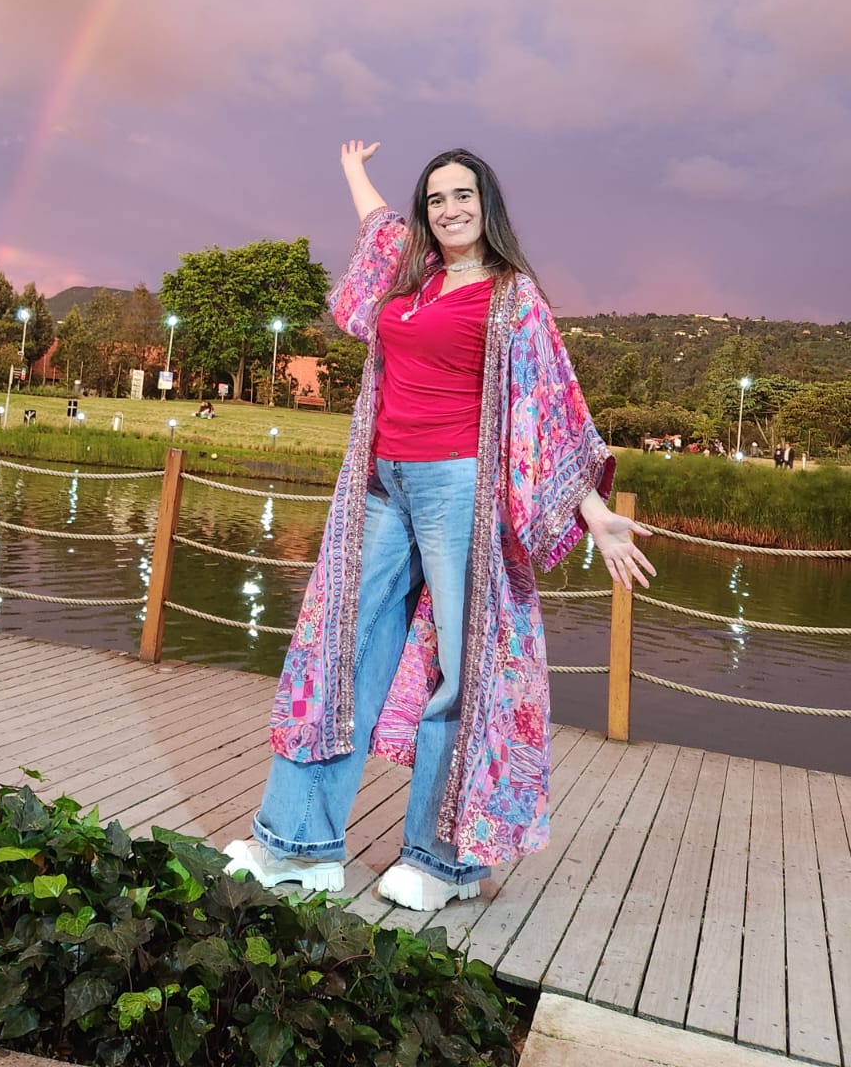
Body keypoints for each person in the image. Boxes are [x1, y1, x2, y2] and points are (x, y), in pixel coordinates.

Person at [224, 141, 655, 913]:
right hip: (381, 485)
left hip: (463, 490)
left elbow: (550, 409)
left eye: (462, 195)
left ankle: (443, 860)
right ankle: (296, 843)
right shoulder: (409, 277)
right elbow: (378, 221)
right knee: (339, 649)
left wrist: (592, 510)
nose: (448, 210)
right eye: (436, 199)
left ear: (487, 204)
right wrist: (352, 165)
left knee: (465, 673)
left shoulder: (513, 297)